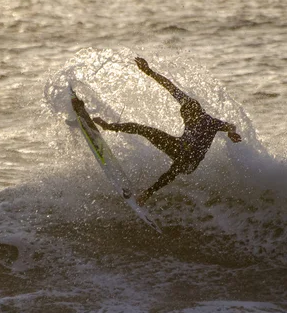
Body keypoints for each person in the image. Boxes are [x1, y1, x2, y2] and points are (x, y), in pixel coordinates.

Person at [73, 57, 242, 206]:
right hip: (179, 145)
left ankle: (148, 193)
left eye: (187, 118)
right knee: (144, 130)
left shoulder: (209, 122)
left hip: (191, 160)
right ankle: (109, 126)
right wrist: (148, 71)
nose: (185, 120)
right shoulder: (188, 103)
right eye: (184, 117)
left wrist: (231, 133)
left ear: (195, 114)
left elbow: (230, 125)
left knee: (175, 168)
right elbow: (169, 85)